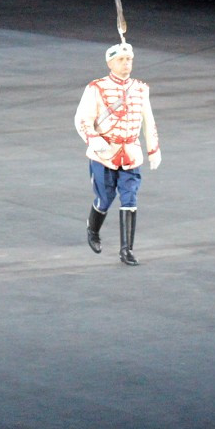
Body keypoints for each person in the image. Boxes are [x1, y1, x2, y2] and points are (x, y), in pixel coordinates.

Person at [75, 38, 161, 266]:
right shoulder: (96, 88)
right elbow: (83, 119)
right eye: (121, 60)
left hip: (131, 152)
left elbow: (148, 120)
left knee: (130, 198)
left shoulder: (141, 89)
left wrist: (153, 149)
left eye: (129, 59)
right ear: (110, 63)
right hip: (104, 154)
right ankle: (93, 230)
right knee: (105, 197)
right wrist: (93, 140)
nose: (126, 64)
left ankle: (126, 250)